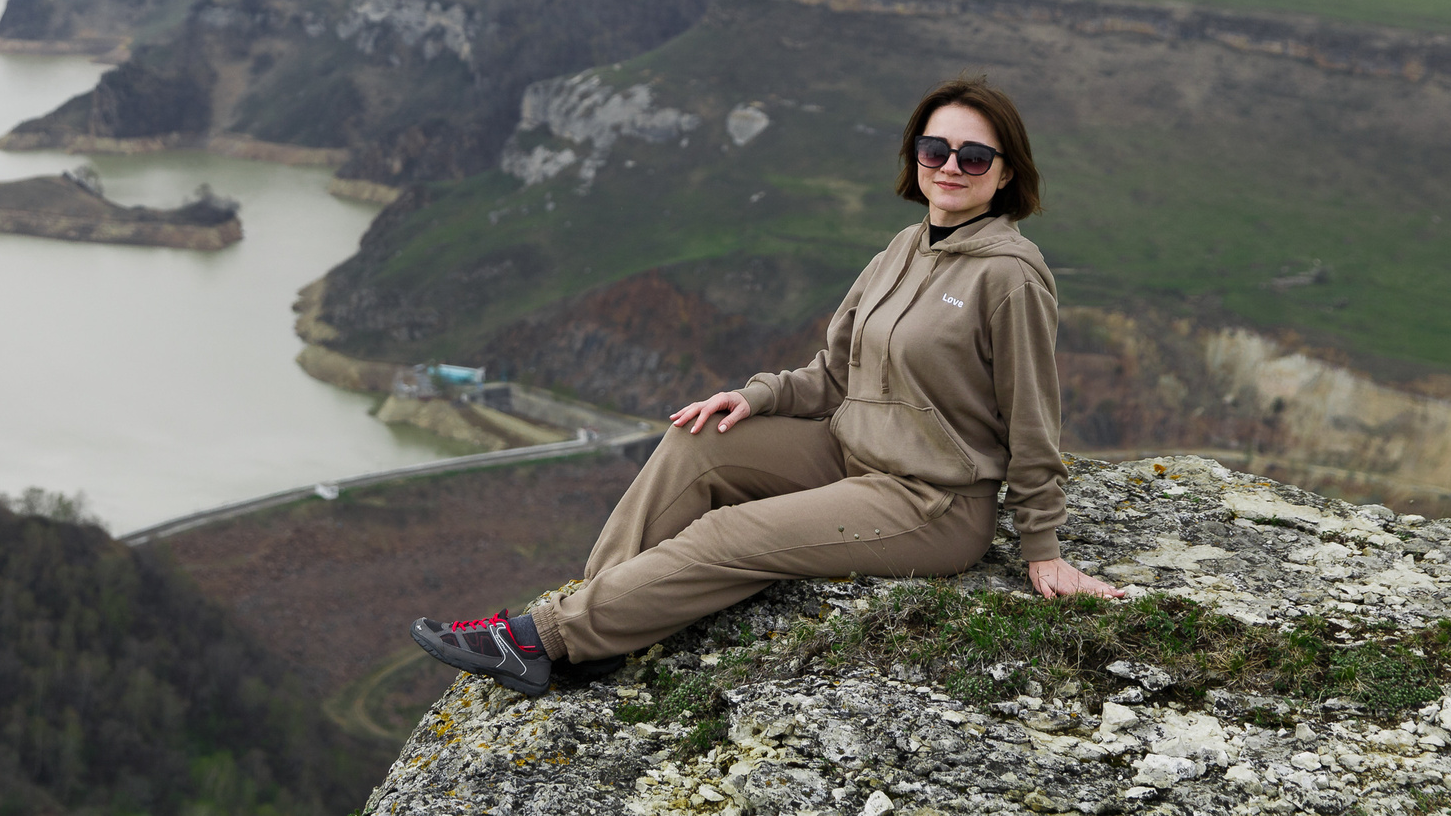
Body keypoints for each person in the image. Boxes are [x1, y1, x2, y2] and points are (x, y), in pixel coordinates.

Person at [411, 74, 1123, 697]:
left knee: (730, 532)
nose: (951, 167)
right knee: (698, 444)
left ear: (1005, 174)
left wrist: (1043, 549)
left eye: (975, 156)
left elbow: (1034, 420)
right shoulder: (903, 249)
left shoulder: (1011, 275)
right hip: (850, 454)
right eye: (935, 149)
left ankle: (546, 637)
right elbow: (834, 374)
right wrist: (753, 397)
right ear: (916, 156)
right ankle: (596, 623)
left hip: (930, 500)